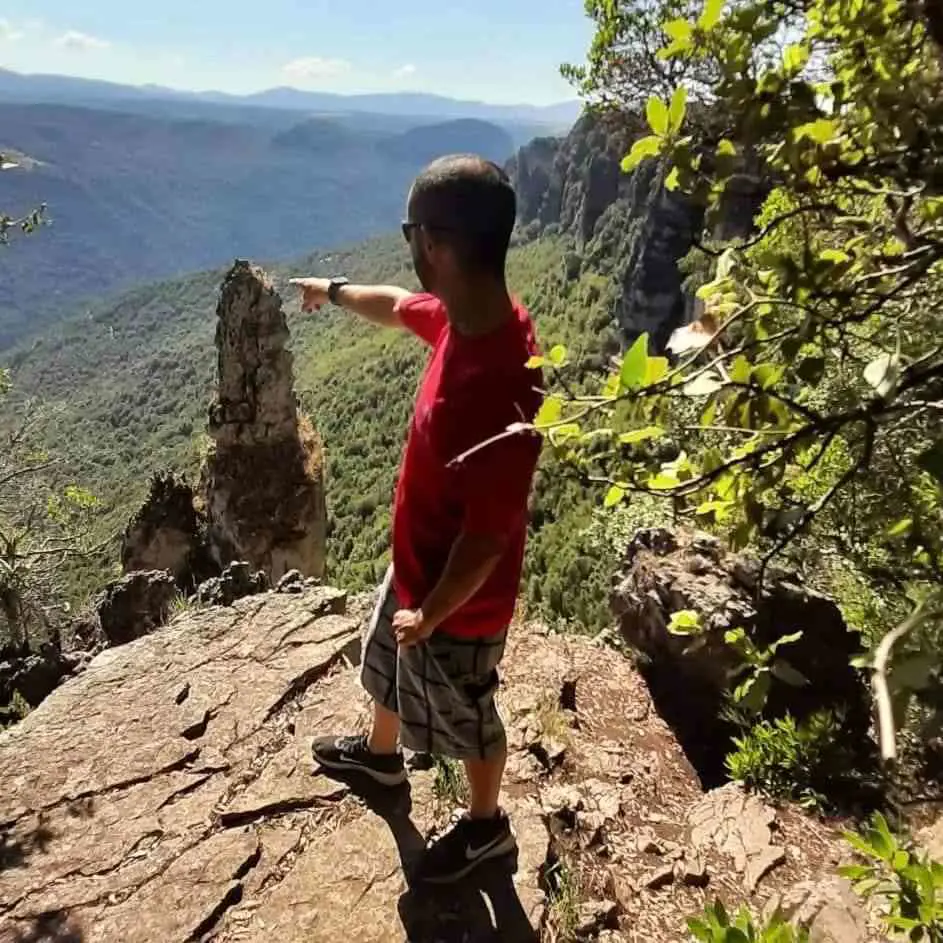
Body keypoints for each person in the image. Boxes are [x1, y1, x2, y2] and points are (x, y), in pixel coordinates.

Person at [291, 154, 543, 885]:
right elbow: (399, 305)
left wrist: (432, 613)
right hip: (417, 569)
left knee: (469, 716)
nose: (408, 246)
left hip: (458, 605)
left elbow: (488, 537)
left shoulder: (499, 383)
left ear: (433, 243)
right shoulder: (467, 318)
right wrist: (333, 290)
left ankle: (486, 828)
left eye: (409, 232)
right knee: (386, 664)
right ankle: (381, 760)